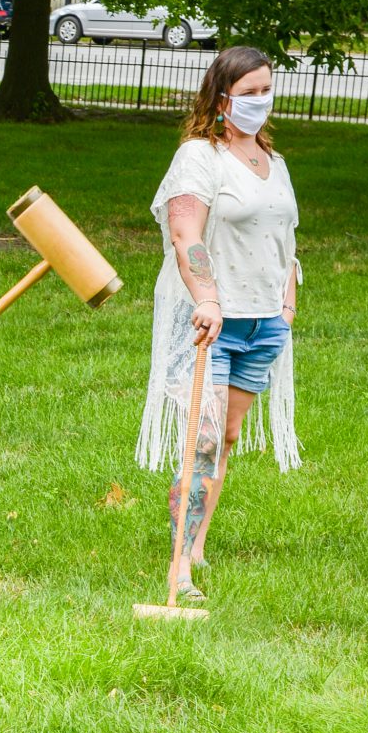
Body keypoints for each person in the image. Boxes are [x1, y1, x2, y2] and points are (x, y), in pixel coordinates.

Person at [138, 45, 301, 593]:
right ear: (222, 97)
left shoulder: (274, 164)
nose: (261, 101)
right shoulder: (199, 157)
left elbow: (285, 241)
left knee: (226, 438)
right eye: (249, 92)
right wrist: (206, 297)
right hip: (210, 322)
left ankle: (199, 546)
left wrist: (287, 306)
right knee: (200, 441)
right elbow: (187, 235)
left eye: (266, 90)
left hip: (263, 325)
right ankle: (179, 567)